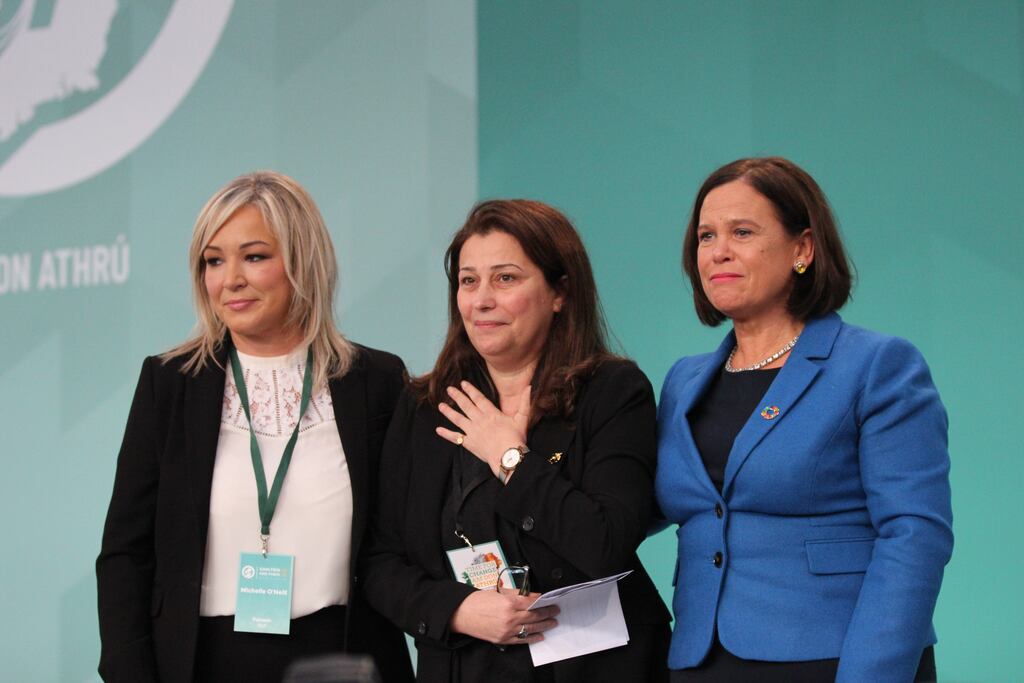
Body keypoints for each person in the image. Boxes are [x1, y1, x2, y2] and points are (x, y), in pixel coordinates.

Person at [96, 171, 414, 683]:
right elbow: (125, 555)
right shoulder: (170, 384)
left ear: (302, 261)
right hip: (204, 662)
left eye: (255, 256)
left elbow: (399, 546)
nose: (230, 279)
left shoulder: (376, 382)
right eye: (214, 260)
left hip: (347, 658)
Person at [656, 157, 953, 682]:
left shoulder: (875, 365)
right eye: (705, 236)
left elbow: (914, 535)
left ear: (803, 249)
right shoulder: (683, 382)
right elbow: (630, 507)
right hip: (702, 661)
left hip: (832, 660)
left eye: (742, 232)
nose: (718, 251)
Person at [361, 199, 671, 681]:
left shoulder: (612, 392)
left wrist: (511, 459)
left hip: (592, 666)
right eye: (468, 281)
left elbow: (604, 542)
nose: (481, 299)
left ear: (559, 293)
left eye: (505, 278)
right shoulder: (423, 405)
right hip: (466, 663)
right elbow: (381, 562)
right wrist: (458, 610)